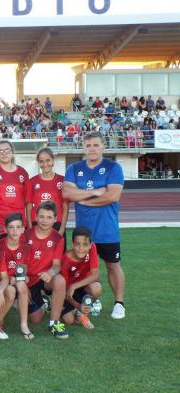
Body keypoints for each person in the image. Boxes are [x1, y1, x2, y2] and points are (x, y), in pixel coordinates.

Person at [63, 132, 126, 320]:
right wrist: (96, 192)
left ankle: (119, 303)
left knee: (113, 266)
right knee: (88, 269)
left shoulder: (113, 167)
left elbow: (112, 196)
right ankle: (94, 299)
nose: (92, 149)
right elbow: (67, 193)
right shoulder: (74, 168)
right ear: (83, 147)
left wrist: (84, 198)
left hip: (107, 230)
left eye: (96, 145)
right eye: (88, 145)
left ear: (103, 147)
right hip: (84, 232)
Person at [24, 201, 69, 339]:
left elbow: (56, 265)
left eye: (49, 217)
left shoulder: (58, 238)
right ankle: (45, 303)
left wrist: (50, 273)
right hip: (29, 279)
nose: (44, 220)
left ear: (55, 219)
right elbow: (21, 262)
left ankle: (54, 323)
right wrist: (22, 283)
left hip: (45, 279)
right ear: (35, 217)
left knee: (60, 280)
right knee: (35, 319)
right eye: (41, 216)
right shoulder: (26, 234)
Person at [0, 213, 33, 340]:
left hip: (17, 282)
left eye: (18, 227)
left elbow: (25, 271)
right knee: (13, 288)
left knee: (22, 283)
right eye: (11, 227)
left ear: (23, 229)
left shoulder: (26, 247)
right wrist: (9, 280)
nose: (15, 231)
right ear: (5, 229)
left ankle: (24, 324)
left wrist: (25, 278)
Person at [60, 226, 102, 330]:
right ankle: (77, 310)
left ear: (90, 244)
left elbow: (95, 275)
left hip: (82, 286)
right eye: (77, 244)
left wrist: (74, 286)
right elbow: (65, 291)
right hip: (68, 291)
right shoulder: (66, 259)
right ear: (72, 243)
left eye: (85, 244)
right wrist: (77, 305)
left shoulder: (92, 248)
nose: (81, 248)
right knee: (68, 320)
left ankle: (83, 314)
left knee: (96, 287)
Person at [0, 140, 29, 232]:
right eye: (0, 151)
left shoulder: (22, 172)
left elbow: (26, 200)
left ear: (12, 153)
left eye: (7, 150)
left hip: (17, 222)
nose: (4, 153)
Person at [26, 147, 68, 237]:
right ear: (38, 163)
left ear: (53, 161)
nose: (45, 164)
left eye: (48, 160)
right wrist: (30, 227)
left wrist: (62, 228)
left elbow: (65, 206)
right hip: (37, 223)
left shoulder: (63, 181)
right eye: (41, 161)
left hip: (56, 223)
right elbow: (29, 207)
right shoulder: (32, 182)